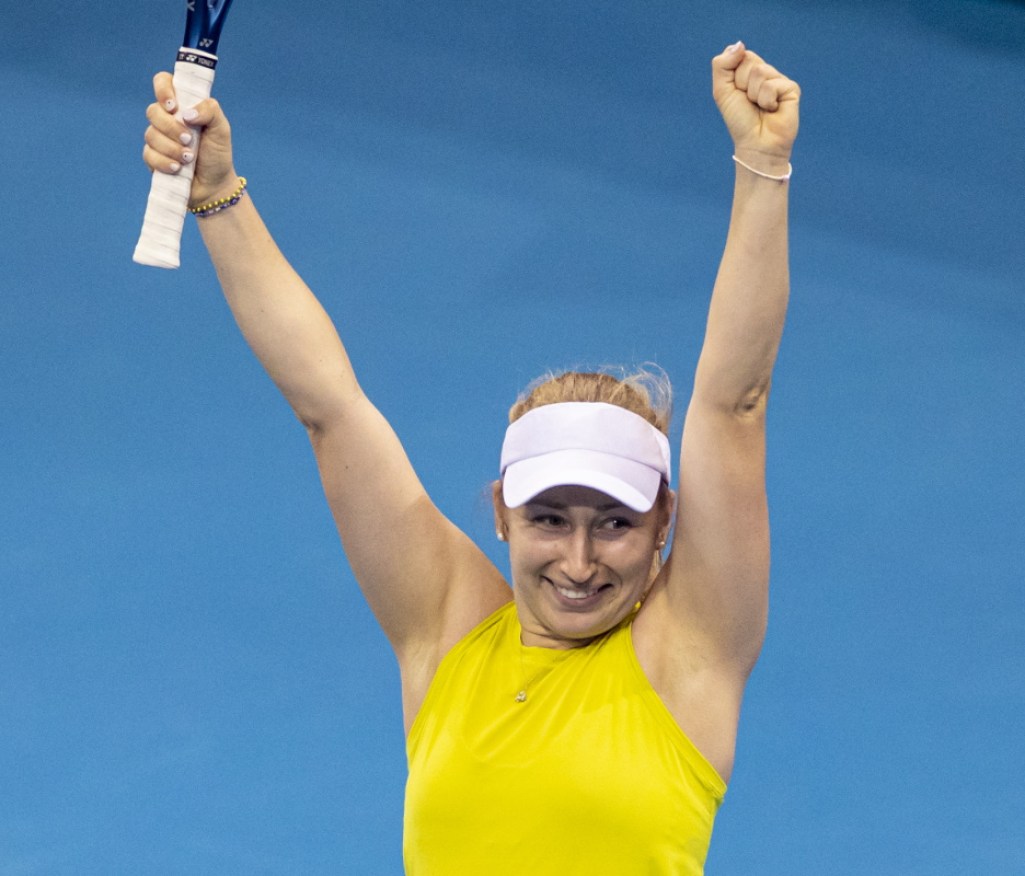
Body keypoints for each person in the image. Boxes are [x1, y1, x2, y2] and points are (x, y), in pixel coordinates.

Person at [142, 40, 798, 875]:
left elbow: (734, 403)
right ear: (500, 512)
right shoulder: (446, 629)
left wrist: (762, 166)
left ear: (666, 519)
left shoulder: (687, 656)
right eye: (548, 519)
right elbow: (329, 408)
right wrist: (215, 196)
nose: (579, 559)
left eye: (617, 523)